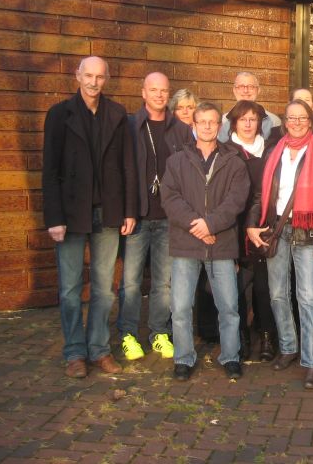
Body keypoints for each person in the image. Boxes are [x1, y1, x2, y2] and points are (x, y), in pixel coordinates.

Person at [42, 56, 136, 378]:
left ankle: (99, 349)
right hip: (70, 213)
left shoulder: (117, 114)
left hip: (107, 212)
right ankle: (74, 353)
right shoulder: (59, 114)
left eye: (99, 76)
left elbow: (127, 166)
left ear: (106, 79)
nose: (94, 82)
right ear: (77, 76)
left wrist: (129, 210)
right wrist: (53, 217)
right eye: (88, 75)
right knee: (70, 289)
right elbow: (50, 170)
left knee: (103, 288)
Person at [246, 100, 313, 390]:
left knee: (308, 297)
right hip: (277, 230)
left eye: (302, 118)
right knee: (277, 294)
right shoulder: (274, 152)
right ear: (284, 122)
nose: (296, 123)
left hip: (308, 233)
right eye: (291, 118)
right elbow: (261, 194)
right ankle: (288, 346)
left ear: (310, 121)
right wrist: (252, 224)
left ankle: (312, 362)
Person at [160, 102, 250, 381]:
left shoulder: (234, 161)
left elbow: (236, 201)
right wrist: (198, 226)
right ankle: (183, 358)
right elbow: (170, 198)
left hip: (221, 243)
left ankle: (231, 356)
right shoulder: (176, 161)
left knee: (229, 307)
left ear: (220, 126)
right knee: (181, 307)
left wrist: (210, 225)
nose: (208, 126)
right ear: (193, 125)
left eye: (213, 122)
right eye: (202, 122)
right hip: (186, 243)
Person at [117, 72, 192, 362]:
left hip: (169, 217)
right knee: (131, 282)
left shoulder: (180, 129)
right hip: (138, 216)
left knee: (163, 282)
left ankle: (159, 333)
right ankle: (128, 334)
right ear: (143, 93)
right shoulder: (131, 126)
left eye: (164, 90)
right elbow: (123, 171)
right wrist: (126, 211)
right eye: (154, 90)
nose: (159, 95)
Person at [195, 100, 278, 361]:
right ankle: (241, 336)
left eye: (253, 119)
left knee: (264, 284)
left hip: (263, 224)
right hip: (233, 225)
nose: (248, 124)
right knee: (236, 283)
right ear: (233, 123)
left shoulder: (271, 150)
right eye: (243, 119)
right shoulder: (225, 151)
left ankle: (267, 335)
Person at [219, 71, 281, 141]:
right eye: (241, 86)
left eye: (251, 87)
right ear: (234, 90)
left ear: (258, 90)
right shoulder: (223, 121)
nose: (245, 91)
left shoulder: (274, 122)